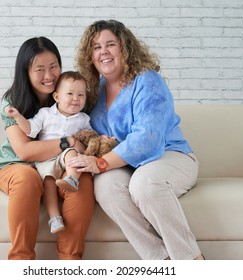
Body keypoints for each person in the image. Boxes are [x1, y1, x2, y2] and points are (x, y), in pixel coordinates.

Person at [71, 19, 204, 260]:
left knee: (145, 183)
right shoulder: (95, 89)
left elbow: (147, 140)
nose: (104, 52)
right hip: (126, 165)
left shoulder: (147, 80)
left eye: (111, 44)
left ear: (125, 48)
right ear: (90, 56)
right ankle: (161, 261)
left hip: (169, 155)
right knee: (106, 187)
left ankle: (192, 262)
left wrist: (100, 163)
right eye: (96, 47)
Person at [0, 37, 95, 260]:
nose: (49, 76)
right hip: (17, 166)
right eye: (40, 69)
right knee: (27, 178)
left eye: (53, 67)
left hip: (58, 166)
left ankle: (70, 262)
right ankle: (21, 262)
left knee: (82, 181)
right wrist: (67, 142)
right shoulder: (12, 102)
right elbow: (25, 151)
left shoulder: (70, 95)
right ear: (25, 71)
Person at [4, 71, 92, 234]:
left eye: (81, 95)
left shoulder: (83, 119)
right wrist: (17, 116)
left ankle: (72, 179)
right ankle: (54, 218)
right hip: (47, 159)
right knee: (48, 183)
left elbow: (90, 139)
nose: (76, 98)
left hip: (67, 159)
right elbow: (30, 130)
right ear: (57, 97)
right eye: (70, 94)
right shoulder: (45, 114)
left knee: (71, 153)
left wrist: (102, 139)